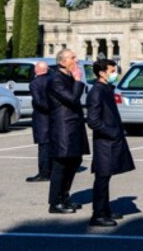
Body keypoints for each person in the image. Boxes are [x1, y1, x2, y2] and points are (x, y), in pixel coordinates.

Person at [85, 59, 135, 227]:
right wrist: (112, 132)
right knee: (102, 178)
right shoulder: (97, 91)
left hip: (111, 141)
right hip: (105, 142)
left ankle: (105, 210)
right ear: (102, 73)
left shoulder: (106, 89)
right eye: (112, 71)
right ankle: (98, 214)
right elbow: (92, 120)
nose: (115, 73)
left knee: (106, 177)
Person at [47, 49, 89, 214]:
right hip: (63, 128)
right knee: (61, 164)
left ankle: (64, 196)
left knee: (75, 161)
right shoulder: (56, 80)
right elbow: (72, 98)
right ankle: (55, 201)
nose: (76, 60)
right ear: (63, 62)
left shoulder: (68, 77)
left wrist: (76, 80)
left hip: (74, 126)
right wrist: (78, 80)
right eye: (73, 57)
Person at [26, 61, 51, 183]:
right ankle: (50, 171)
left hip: (42, 118)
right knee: (51, 145)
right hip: (54, 118)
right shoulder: (53, 80)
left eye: (35, 67)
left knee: (44, 147)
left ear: (38, 70)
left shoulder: (35, 83)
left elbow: (39, 102)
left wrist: (48, 108)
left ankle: (44, 173)